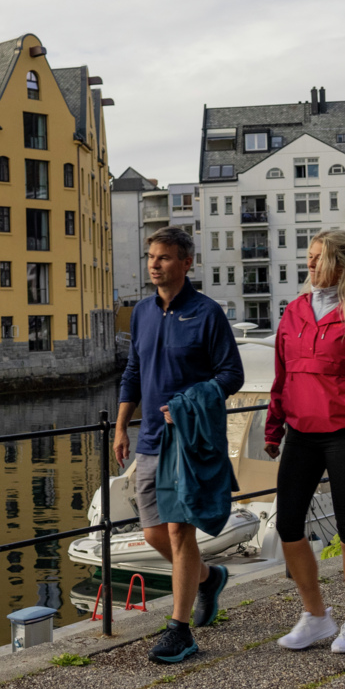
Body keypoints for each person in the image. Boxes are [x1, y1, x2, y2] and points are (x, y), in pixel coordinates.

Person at [116, 227, 245, 664]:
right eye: (151, 257)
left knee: (178, 530)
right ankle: (208, 579)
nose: (155, 264)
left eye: (165, 258)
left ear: (186, 263)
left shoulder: (207, 313)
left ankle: (180, 630)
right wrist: (121, 426)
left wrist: (189, 402)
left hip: (188, 440)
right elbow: (133, 369)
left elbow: (232, 375)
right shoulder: (141, 313)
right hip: (149, 438)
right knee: (154, 532)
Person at [264, 229, 345, 653]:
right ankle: (316, 616)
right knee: (287, 524)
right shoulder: (295, 310)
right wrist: (273, 426)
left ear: (343, 264)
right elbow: (282, 375)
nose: (310, 264)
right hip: (300, 432)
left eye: (318, 257)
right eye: (309, 256)